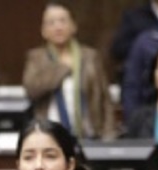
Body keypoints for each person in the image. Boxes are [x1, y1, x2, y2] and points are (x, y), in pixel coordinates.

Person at [22, 2, 116, 140]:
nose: (58, 27)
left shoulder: (90, 57)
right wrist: (62, 68)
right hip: (50, 135)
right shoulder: (36, 58)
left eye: (63, 21)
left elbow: (105, 99)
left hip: (89, 134)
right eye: (51, 23)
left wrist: (109, 134)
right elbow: (32, 89)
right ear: (43, 31)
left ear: (73, 26)